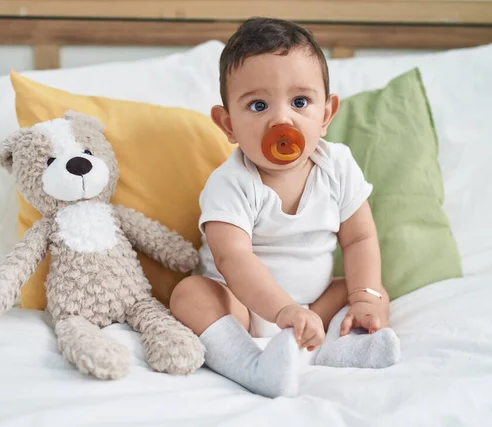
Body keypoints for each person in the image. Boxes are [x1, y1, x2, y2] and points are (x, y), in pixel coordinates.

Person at [169, 17, 401, 398]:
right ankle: (249, 364)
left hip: (315, 305)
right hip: (242, 308)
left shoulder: (338, 166)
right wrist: (281, 312)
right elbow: (233, 259)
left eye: (299, 102)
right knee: (190, 294)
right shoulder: (230, 183)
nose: (282, 119)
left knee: (366, 287)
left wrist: (365, 298)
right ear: (228, 124)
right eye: (258, 105)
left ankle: (343, 345)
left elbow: (359, 238)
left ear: (325, 114)